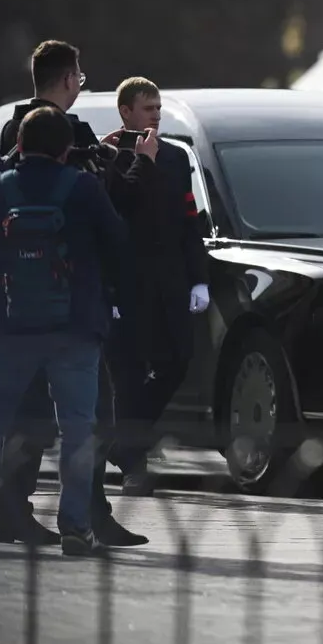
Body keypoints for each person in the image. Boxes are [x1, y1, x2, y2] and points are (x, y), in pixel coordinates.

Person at [0, 40, 148, 547]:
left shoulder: (14, 128)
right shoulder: (70, 134)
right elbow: (110, 215)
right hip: (73, 308)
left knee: (22, 414)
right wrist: (137, 161)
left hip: (15, 305)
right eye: (80, 77)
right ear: (69, 78)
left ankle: (3, 510)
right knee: (90, 416)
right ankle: (88, 514)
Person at [0, 107, 129, 555]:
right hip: (75, 326)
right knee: (79, 426)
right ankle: (75, 525)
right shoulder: (84, 186)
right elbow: (117, 242)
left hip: (10, 325)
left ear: (18, 144)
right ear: (66, 148)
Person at [102, 77, 210, 496]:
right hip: (127, 281)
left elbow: (188, 221)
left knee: (178, 361)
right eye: (148, 109)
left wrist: (198, 278)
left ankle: (122, 443)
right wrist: (108, 289)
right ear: (126, 111)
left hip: (169, 279)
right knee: (127, 376)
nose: (156, 116)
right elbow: (115, 213)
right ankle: (134, 467)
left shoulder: (175, 158)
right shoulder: (107, 155)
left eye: (159, 109)